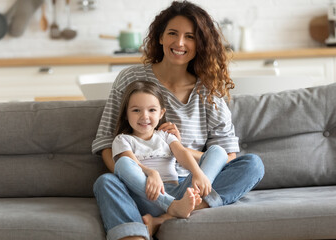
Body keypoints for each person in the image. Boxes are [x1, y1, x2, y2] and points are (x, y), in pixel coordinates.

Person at [92, 1, 265, 240]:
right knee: (106, 182)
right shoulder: (131, 78)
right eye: (172, 33)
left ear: (200, 44)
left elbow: (227, 154)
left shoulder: (208, 89)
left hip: (191, 188)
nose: (180, 43)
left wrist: (177, 148)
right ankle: (137, 234)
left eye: (190, 37)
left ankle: (166, 218)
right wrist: (138, 179)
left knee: (252, 164)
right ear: (160, 37)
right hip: (141, 187)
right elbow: (105, 144)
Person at [112, 80, 228, 220]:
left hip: (179, 192)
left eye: (152, 110)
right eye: (136, 110)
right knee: (122, 162)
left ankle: (186, 202)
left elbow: (182, 153)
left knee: (218, 151)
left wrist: (198, 173)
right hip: (150, 196)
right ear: (126, 114)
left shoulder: (166, 136)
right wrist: (151, 173)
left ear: (161, 113)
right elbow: (131, 162)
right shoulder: (122, 140)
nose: (144, 116)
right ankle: (173, 207)